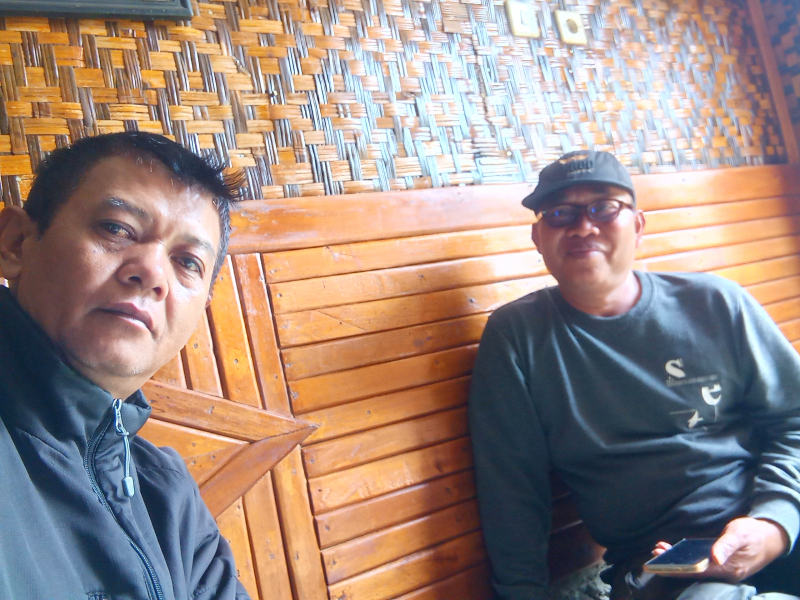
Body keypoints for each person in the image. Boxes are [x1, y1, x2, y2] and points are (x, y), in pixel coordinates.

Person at [468, 150, 800, 600]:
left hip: (769, 521)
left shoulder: (716, 303)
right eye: (560, 213)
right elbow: (511, 490)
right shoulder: (518, 337)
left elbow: (793, 420)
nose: (583, 226)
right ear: (537, 237)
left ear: (638, 226)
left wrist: (775, 522)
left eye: (604, 208)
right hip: (666, 566)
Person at [0, 132, 251, 600]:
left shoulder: (167, 496)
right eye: (117, 229)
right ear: (15, 243)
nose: (152, 273)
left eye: (188, 262)